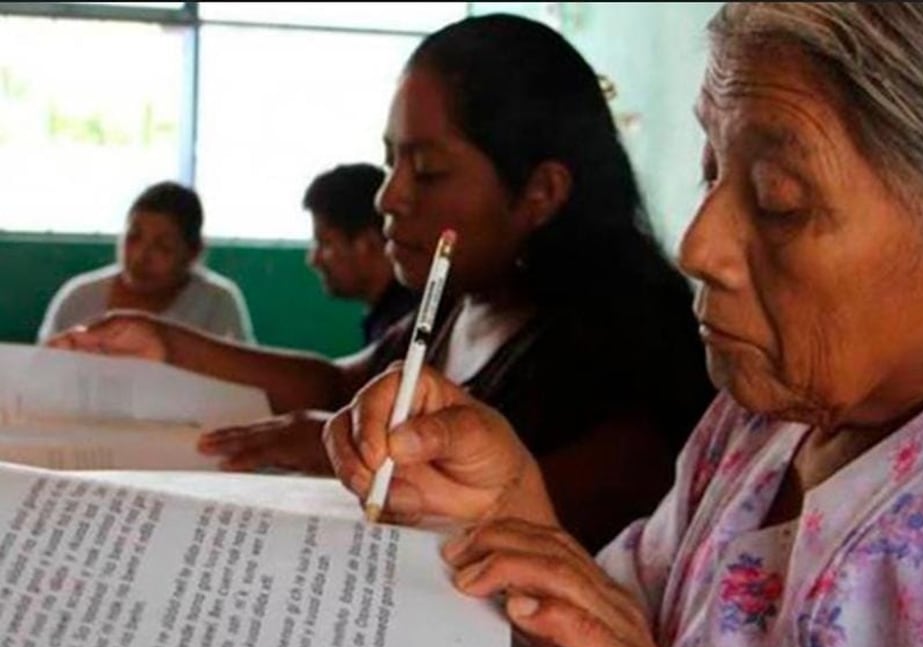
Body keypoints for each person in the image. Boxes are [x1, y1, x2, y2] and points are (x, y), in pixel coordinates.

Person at [326, 3, 923, 647]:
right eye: (709, 170)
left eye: (777, 203)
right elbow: (625, 631)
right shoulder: (757, 423)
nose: (696, 246)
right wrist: (511, 517)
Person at [48, 14, 714, 553]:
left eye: (425, 171)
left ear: (539, 191)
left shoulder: (626, 349)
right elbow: (343, 386)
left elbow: (528, 530)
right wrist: (169, 345)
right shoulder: (471, 298)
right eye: (390, 159)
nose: (389, 198)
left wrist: (353, 465)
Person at [37, 181, 253, 343]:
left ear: (193, 253)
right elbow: (41, 375)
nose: (141, 256)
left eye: (163, 247)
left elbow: (241, 384)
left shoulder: (217, 303)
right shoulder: (79, 297)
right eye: (133, 237)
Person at [304, 163, 418, 345]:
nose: (313, 260)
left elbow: (339, 375)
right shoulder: (387, 318)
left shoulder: (411, 326)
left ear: (367, 242)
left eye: (325, 243)